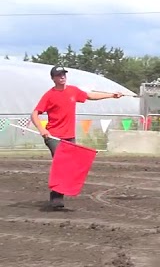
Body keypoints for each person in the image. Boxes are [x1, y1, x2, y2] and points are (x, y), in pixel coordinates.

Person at [31, 66, 123, 210]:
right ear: (53, 78)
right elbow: (34, 114)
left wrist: (112, 95)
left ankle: (58, 194)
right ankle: (56, 198)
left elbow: (90, 96)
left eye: (63, 74)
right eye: (59, 75)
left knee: (68, 166)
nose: (62, 77)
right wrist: (42, 129)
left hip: (70, 136)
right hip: (54, 136)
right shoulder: (49, 95)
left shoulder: (73, 91)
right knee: (62, 164)